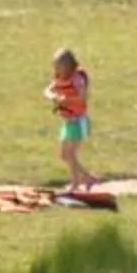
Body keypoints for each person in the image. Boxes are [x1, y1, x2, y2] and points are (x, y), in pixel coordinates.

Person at [46, 47, 100, 192]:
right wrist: (53, 96)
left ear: (68, 66)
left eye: (59, 67)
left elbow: (83, 96)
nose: (57, 70)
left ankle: (76, 183)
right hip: (68, 122)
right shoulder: (59, 77)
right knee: (64, 155)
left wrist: (66, 99)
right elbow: (48, 90)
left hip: (78, 121)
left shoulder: (77, 79)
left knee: (70, 154)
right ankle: (88, 178)